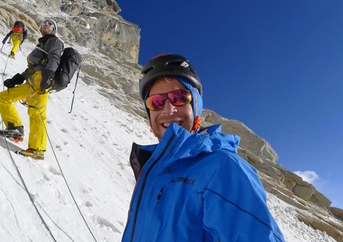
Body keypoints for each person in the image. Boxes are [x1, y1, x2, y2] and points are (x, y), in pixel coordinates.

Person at [122, 54, 285, 241]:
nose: (168, 110)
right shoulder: (156, 170)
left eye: (179, 97)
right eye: (156, 102)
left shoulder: (223, 168)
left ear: (196, 106)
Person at [0, 19, 64, 160]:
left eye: (50, 24)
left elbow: (55, 59)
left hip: (41, 79)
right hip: (32, 80)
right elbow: (33, 67)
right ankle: (15, 127)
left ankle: (37, 150)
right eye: (44, 23)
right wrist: (17, 79)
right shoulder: (42, 44)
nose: (46, 25)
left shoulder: (54, 42)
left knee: (37, 113)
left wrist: (48, 76)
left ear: (54, 30)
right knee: (2, 98)